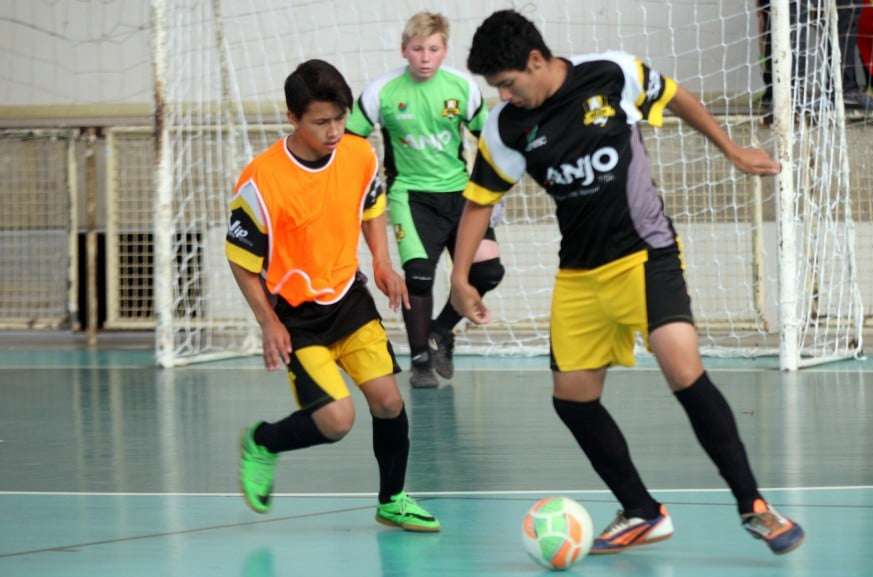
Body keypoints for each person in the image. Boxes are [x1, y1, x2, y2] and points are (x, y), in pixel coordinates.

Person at [451, 10, 805, 555]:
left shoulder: (612, 74)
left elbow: (680, 98)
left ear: (536, 61)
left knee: (682, 369)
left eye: (507, 83)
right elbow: (480, 199)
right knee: (571, 399)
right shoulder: (506, 126)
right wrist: (459, 276)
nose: (504, 95)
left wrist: (731, 149)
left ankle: (753, 505)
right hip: (579, 275)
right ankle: (641, 510)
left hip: (645, 255)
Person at [226, 59, 439, 532]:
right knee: (337, 420)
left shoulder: (360, 154)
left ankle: (393, 499)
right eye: (321, 121)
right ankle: (263, 441)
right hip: (297, 318)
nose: (334, 130)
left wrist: (382, 261)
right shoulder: (261, 181)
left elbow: (371, 206)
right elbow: (242, 261)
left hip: (348, 298)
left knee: (388, 401)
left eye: (340, 118)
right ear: (293, 118)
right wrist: (268, 321)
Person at [347, 12, 505, 389]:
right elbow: (351, 142)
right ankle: (420, 360)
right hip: (410, 196)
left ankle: (440, 331)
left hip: (460, 195)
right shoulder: (381, 92)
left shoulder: (462, 88)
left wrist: (492, 193)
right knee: (419, 275)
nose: (424, 57)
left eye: (433, 49)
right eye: (417, 49)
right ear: (404, 50)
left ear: (445, 50)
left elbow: (489, 139)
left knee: (488, 272)